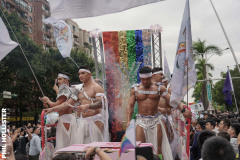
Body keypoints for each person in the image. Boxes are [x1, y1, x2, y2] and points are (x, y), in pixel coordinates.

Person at [127, 66, 191, 159]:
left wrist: (183, 110)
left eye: (147, 79)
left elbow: (171, 101)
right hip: (141, 121)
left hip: (155, 121)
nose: (145, 82)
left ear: (151, 77)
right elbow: (130, 105)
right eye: (142, 79)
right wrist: (128, 120)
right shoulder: (135, 89)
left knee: (158, 148)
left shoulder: (159, 88)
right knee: (140, 148)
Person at [44, 65, 109, 143]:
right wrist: (52, 109)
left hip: (95, 120)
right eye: (79, 74)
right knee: (82, 150)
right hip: (83, 121)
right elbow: (67, 104)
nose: (80, 76)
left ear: (89, 74)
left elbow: (102, 103)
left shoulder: (97, 87)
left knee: (94, 150)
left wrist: (88, 106)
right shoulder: (78, 90)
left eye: (83, 73)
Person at [40, 72, 77, 150]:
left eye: (60, 79)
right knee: (67, 146)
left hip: (65, 120)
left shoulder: (64, 90)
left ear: (66, 80)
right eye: (57, 79)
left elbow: (56, 106)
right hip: (67, 118)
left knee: (64, 148)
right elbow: (60, 105)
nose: (58, 81)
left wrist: (48, 100)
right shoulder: (68, 89)